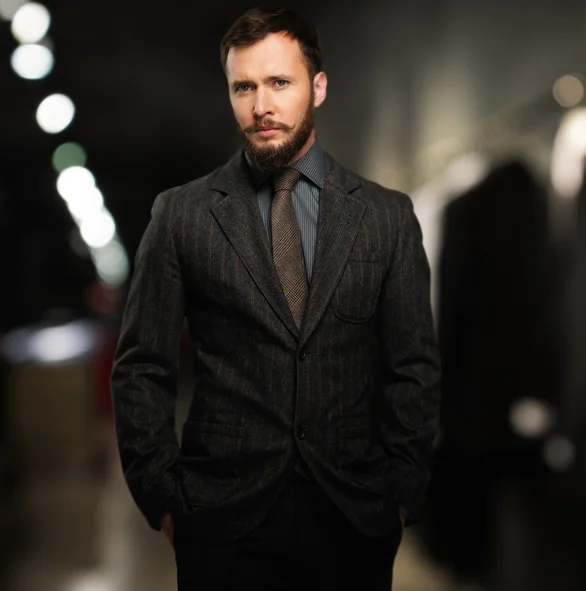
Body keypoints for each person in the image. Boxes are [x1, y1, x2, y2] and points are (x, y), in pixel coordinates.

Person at [110, 6, 440, 590]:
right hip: (220, 521)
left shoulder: (387, 218)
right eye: (244, 86)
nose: (260, 105)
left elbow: (412, 366)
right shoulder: (182, 214)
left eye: (279, 83)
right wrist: (162, 496)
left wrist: (401, 494)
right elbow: (142, 366)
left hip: (353, 517)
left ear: (318, 86)